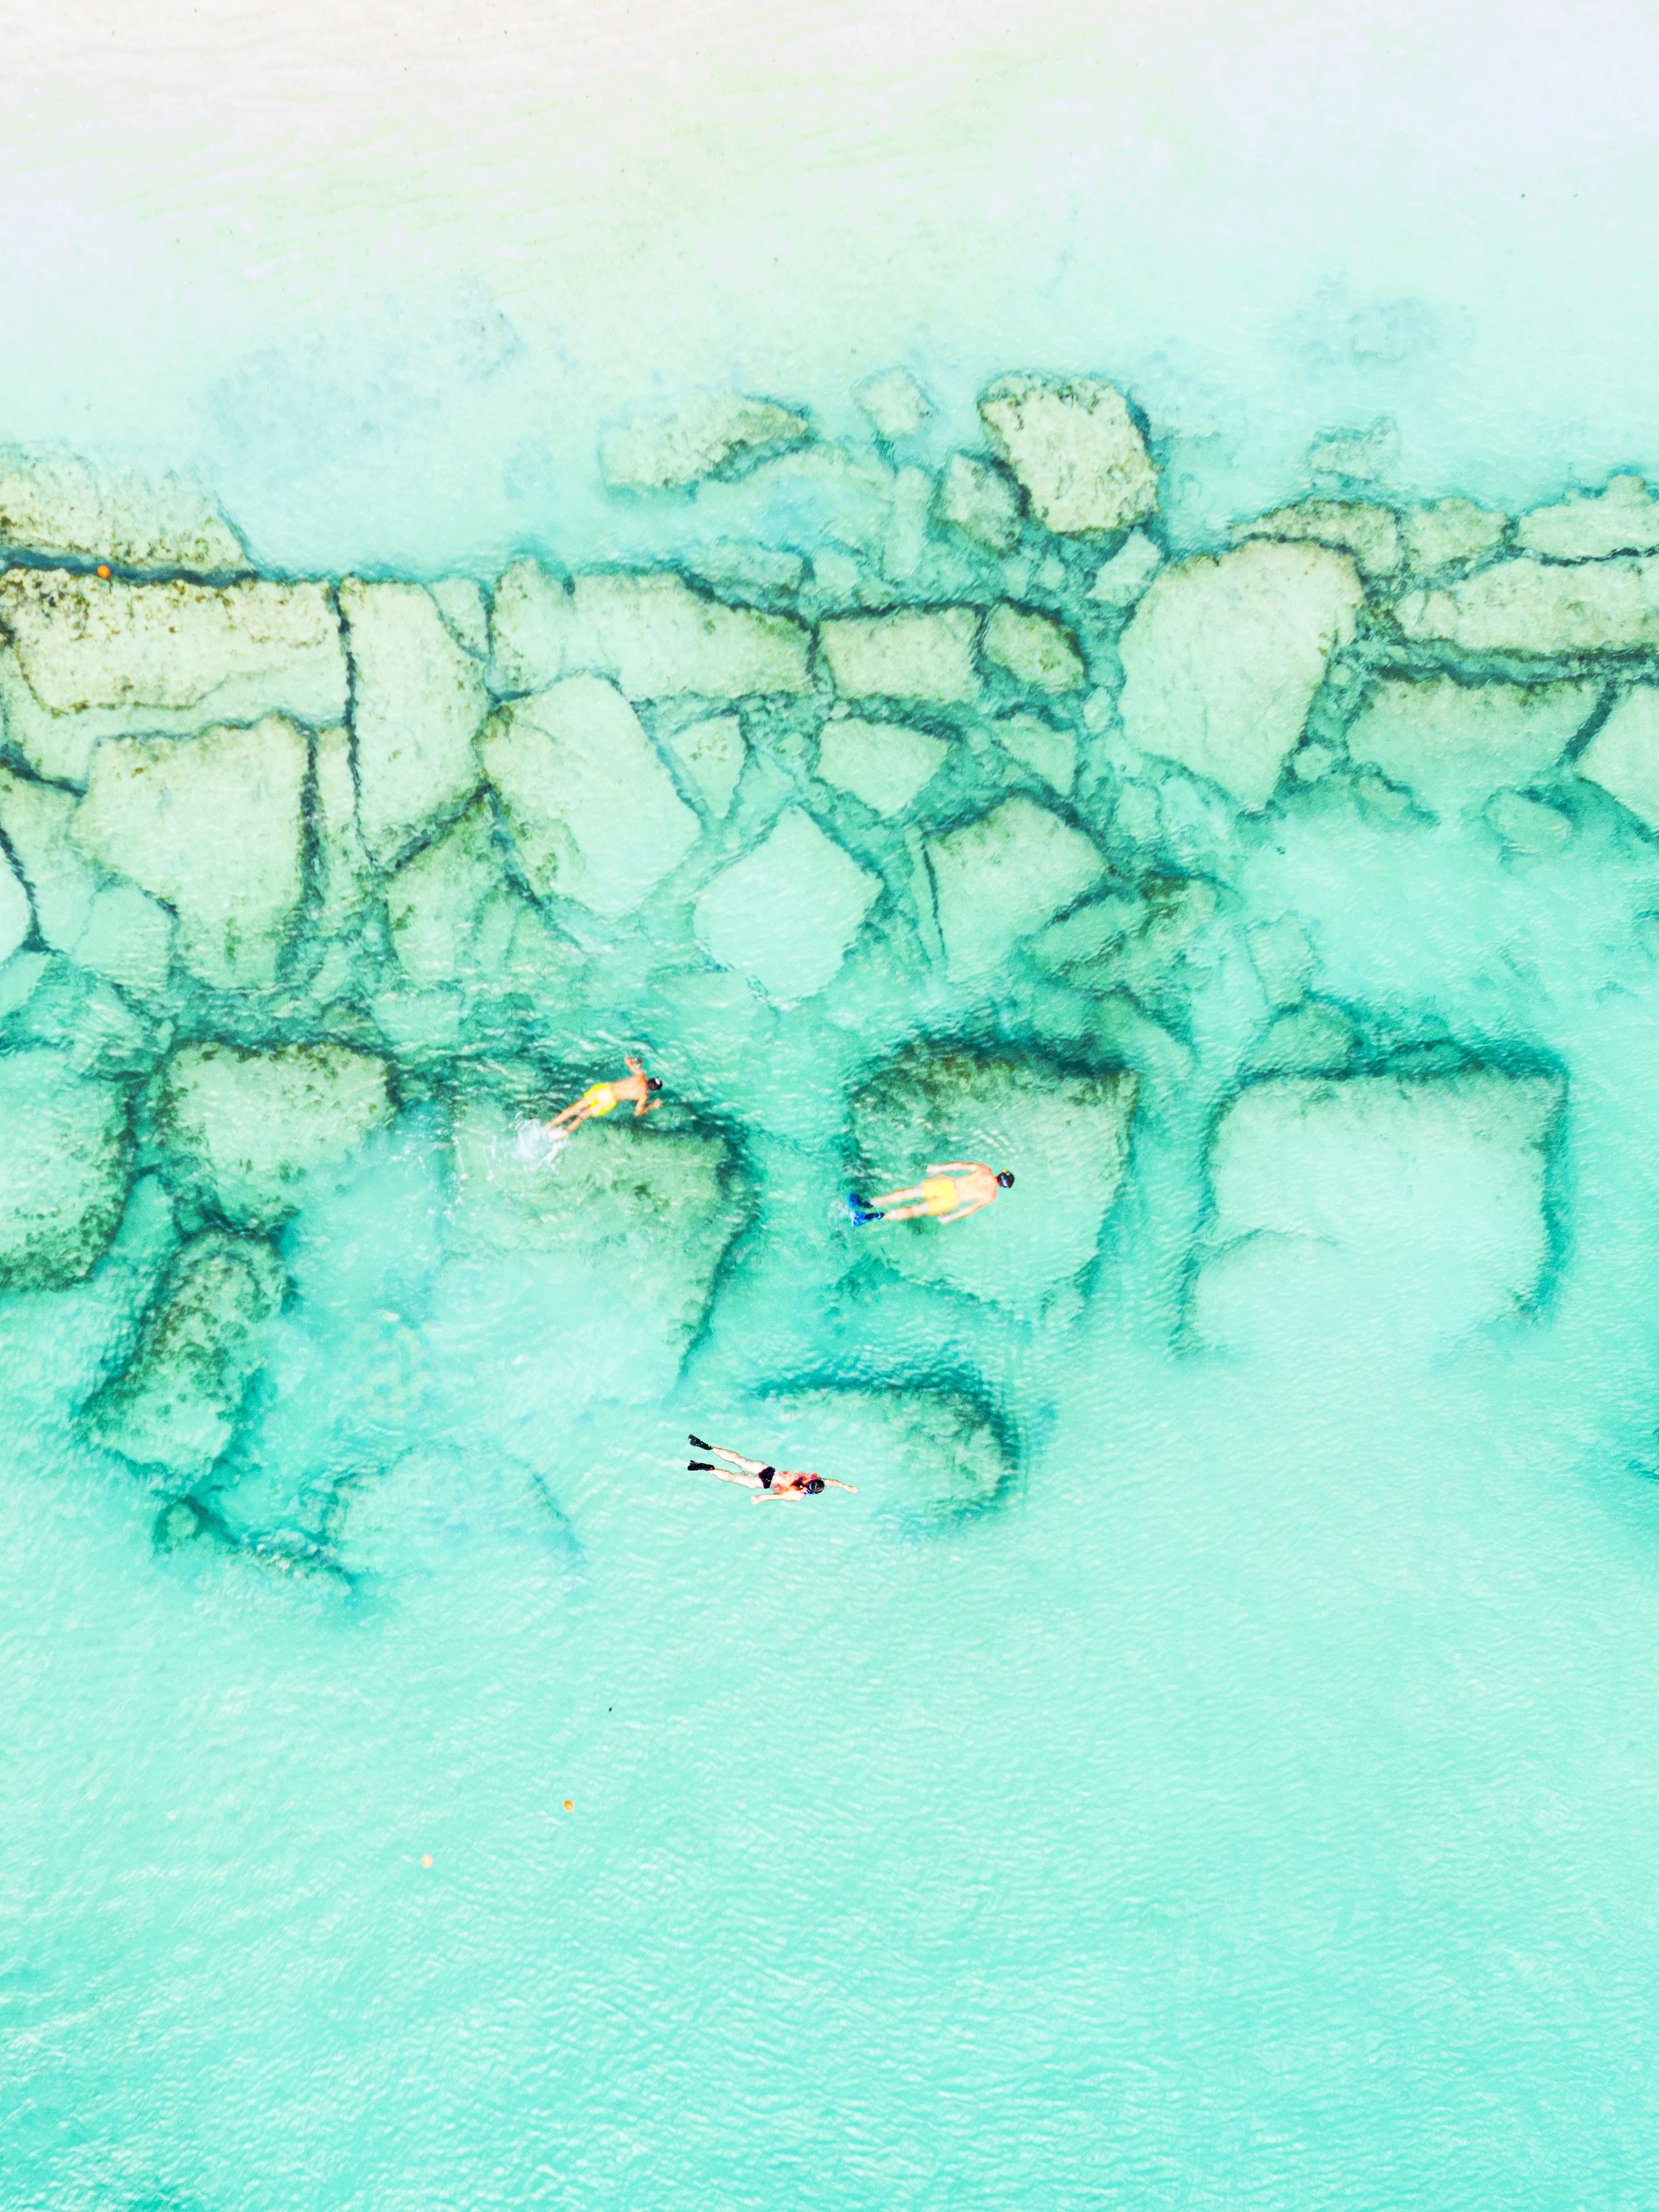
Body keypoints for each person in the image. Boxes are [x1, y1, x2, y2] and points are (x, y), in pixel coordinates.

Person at [686, 1434, 857, 1503]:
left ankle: (705, 1446)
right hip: (762, 1483)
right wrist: (761, 1498)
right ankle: (706, 1468)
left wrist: (847, 1487)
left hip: (767, 1471)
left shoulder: (811, 1478)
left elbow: (831, 1481)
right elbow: (777, 1496)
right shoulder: (798, 1495)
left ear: (812, 1480)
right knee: (731, 1477)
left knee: (738, 1459)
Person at [848, 1162, 1013, 1227]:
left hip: (946, 1185)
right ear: (1004, 1187)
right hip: (951, 1201)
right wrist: (950, 1217)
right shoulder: (991, 1196)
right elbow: (969, 1210)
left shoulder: (985, 1170)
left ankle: (866, 1203)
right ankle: (871, 1217)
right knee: (913, 1211)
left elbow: (960, 1165)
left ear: (1001, 1173)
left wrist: (938, 1168)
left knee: (907, 1194)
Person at [538, 1055, 663, 1138]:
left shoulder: (641, 1075)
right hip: (610, 1101)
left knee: (574, 1108)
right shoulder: (644, 1096)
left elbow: (627, 1060)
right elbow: (638, 1113)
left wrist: (637, 1062)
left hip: (604, 1090)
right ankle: (565, 1132)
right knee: (582, 1117)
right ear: (654, 1090)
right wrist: (652, 1106)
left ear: (650, 1079)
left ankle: (549, 1126)